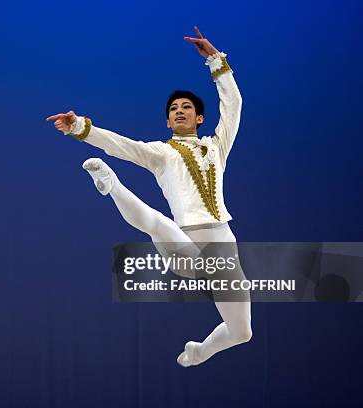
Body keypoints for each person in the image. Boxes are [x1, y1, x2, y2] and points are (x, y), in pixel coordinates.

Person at [45, 27, 252, 367]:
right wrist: (80, 126)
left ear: (199, 118)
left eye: (186, 107)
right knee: (157, 223)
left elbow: (234, 106)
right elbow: (122, 145)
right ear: (169, 121)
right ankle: (111, 184)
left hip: (222, 245)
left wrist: (216, 61)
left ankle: (201, 350)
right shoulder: (160, 153)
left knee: (242, 332)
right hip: (184, 240)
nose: (179, 111)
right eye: (173, 109)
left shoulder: (216, 146)